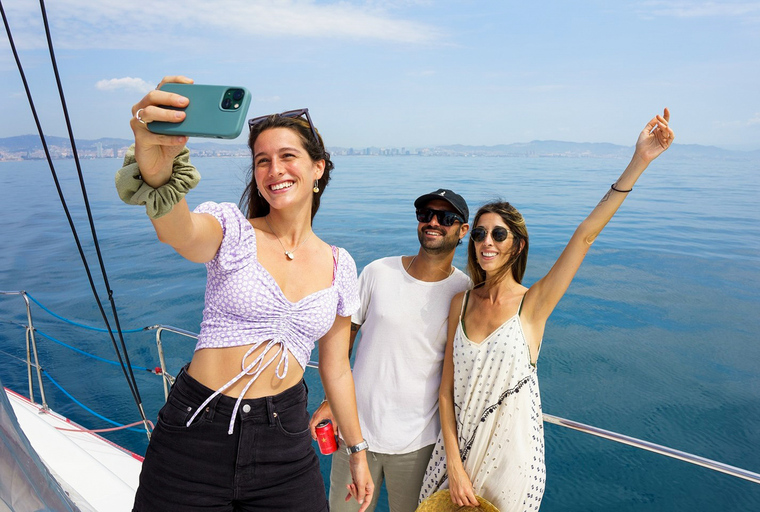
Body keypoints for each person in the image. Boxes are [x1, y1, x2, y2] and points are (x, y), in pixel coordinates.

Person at [116, 76, 374, 512]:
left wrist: (358, 451)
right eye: (262, 161)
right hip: (196, 433)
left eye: (288, 156)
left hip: (285, 440)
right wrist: (157, 171)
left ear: (318, 168)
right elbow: (179, 233)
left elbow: (338, 371)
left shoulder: (340, 265)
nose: (274, 171)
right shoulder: (232, 230)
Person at [418, 109, 675, 511]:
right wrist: (453, 462)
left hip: (511, 464)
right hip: (456, 459)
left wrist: (639, 160)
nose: (487, 241)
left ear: (516, 245)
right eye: (481, 233)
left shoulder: (533, 305)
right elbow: (446, 392)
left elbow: (585, 235)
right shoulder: (461, 302)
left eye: (498, 234)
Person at [309, 189, 473, 511]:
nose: (433, 222)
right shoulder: (377, 272)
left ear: (463, 230)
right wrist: (331, 401)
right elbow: (344, 339)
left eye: (446, 217)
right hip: (354, 434)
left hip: (419, 446)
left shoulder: (464, 292)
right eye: (426, 214)